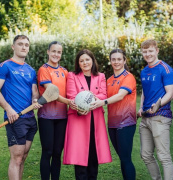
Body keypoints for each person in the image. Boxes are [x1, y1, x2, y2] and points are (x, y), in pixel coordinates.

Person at [0, 35, 42, 180]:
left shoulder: (31, 70)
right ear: (13, 47)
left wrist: (35, 100)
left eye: (26, 45)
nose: (24, 47)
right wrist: (8, 108)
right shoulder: (5, 66)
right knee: (17, 158)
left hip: (30, 119)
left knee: (23, 157)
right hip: (15, 118)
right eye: (20, 44)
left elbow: (34, 92)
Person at [63, 49, 112, 180]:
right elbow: (71, 95)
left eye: (87, 59)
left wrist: (89, 99)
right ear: (78, 63)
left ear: (92, 61)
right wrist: (79, 107)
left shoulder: (100, 76)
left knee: (93, 154)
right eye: (81, 60)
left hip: (95, 119)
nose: (85, 63)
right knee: (80, 155)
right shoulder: (72, 75)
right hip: (79, 118)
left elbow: (103, 94)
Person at [90, 49, 137, 180]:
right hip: (112, 124)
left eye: (119, 59)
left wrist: (102, 102)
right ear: (110, 61)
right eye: (114, 59)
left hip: (126, 123)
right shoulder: (109, 80)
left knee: (126, 158)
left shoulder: (128, 77)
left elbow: (120, 95)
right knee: (122, 158)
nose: (116, 62)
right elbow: (102, 95)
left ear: (124, 60)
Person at [37, 41, 76, 180]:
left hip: (62, 117)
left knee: (57, 152)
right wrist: (69, 102)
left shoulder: (65, 71)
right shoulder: (44, 70)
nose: (56, 54)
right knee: (47, 152)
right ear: (48, 52)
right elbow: (51, 91)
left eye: (59, 52)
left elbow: (71, 90)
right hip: (46, 117)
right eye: (53, 51)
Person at [137, 39, 173, 180]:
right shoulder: (144, 71)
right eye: (145, 51)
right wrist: (141, 107)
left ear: (157, 51)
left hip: (160, 117)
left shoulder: (165, 69)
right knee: (146, 154)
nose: (148, 54)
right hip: (146, 118)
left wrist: (158, 104)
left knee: (163, 156)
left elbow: (170, 93)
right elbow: (145, 92)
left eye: (151, 51)